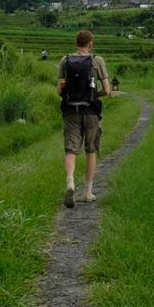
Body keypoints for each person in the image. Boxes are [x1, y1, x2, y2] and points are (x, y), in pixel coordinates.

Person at [58, 29, 109, 208]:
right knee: (91, 149)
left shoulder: (65, 61)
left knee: (71, 149)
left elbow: (59, 90)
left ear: (76, 43)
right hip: (91, 111)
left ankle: (70, 181)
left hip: (71, 111)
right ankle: (87, 192)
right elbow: (107, 90)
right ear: (91, 44)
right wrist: (94, 95)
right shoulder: (97, 60)